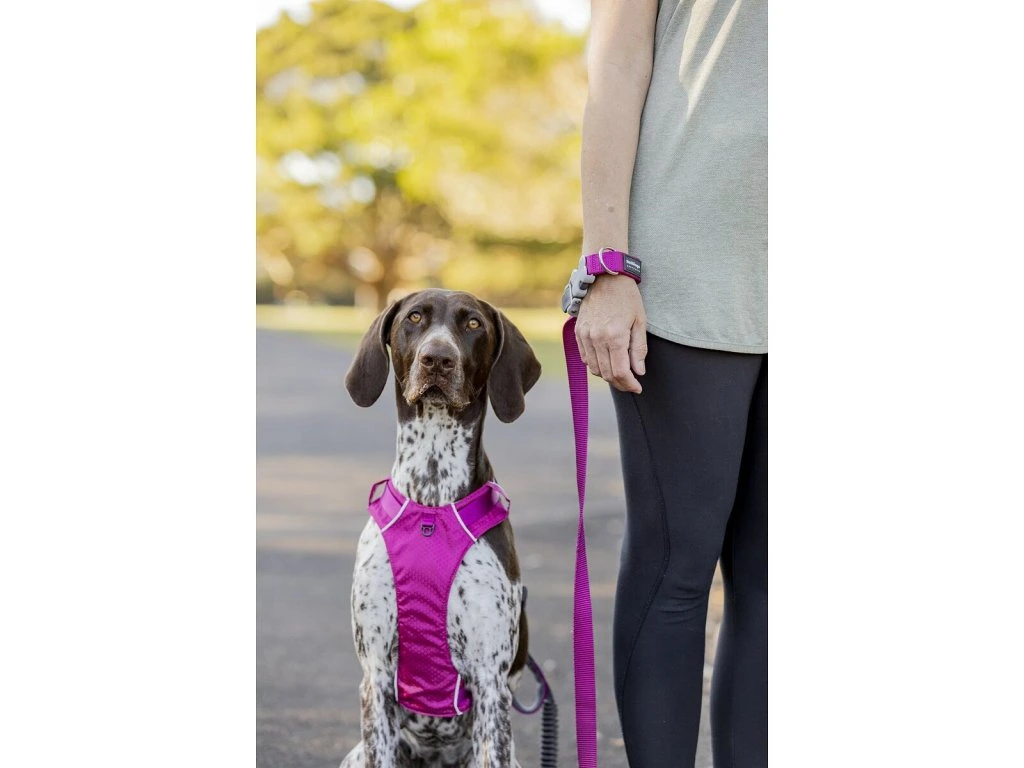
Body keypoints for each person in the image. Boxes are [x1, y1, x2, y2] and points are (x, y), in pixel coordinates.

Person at [573, 0, 767, 766]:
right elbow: (616, 64)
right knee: (675, 571)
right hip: (690, 265)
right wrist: (606, 264)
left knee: (776, 584)